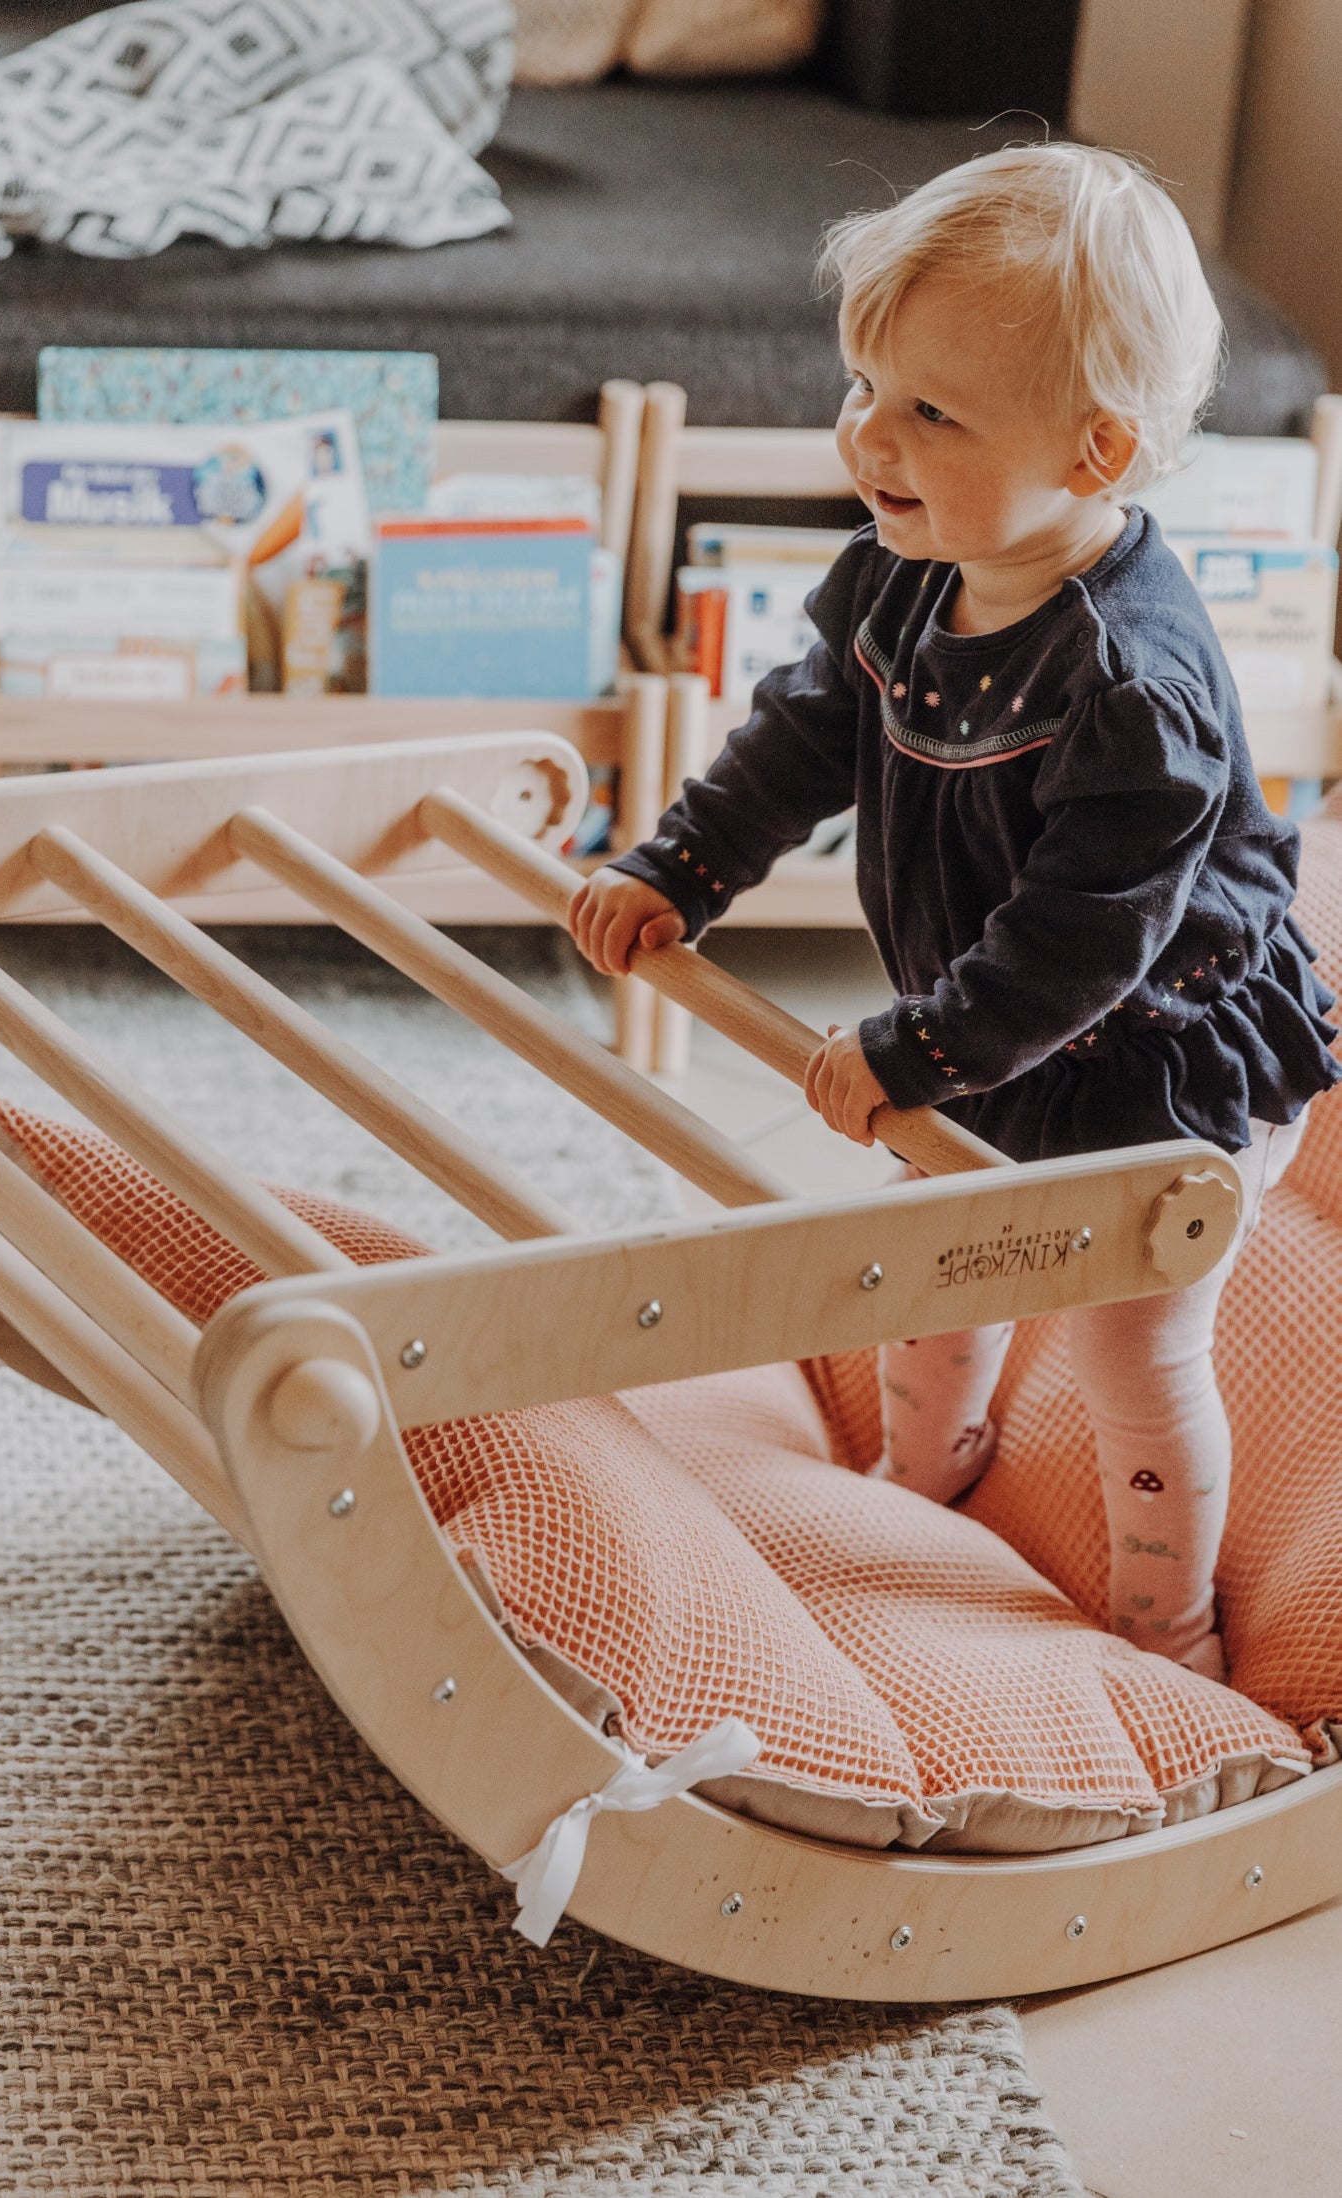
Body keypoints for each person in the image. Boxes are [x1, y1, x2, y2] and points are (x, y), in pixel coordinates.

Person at [569, 144, 1342, 1679]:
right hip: (996, 1029)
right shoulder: (908, 573)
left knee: (1134, 1344)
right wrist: (679, 869)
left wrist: (921, 1047)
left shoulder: (1135, 685)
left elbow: (1085, 928)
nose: (870, 434)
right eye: (866, 383)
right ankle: (927, 1474)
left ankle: (1165, 1630)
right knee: (938, 1262)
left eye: (933, 411)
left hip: (1157, 1063)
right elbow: (802, 734)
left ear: (1098, 450)